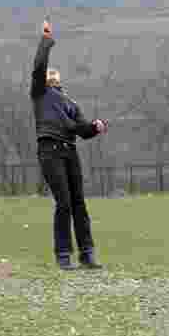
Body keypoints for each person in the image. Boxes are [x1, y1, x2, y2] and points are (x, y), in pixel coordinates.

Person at [30, 20, 109, 270]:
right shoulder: (40, 93)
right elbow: (39, 65)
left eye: (53, 77)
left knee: (79, 203)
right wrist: (46, 41)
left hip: (69, 151)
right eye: (48, 76)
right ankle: (63, 257)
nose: (50, 78)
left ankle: (87, 254)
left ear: (60, 81)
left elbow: (82, 130)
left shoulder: (69, 102)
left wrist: (95, 127)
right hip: (50, 150)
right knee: (63, 203)